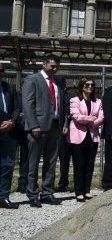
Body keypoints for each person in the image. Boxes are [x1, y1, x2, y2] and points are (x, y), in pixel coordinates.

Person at [22, 54, 68, 206]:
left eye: (56, 67)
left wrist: (64, 124)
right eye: (52, 66)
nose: (54, 69)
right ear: (44, 64)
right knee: (34, 163)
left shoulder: (58, 83)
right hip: (38, 127)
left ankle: (47, 192)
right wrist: (33, 125)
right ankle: (32, 193)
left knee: (51, 162)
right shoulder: (32, 79)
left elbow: (63, 106)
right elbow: (28, 104)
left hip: (55, 126)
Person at [68, 77, 104, 202]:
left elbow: (101, 117)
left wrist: (92, 121)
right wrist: (90, 118)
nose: (90, 87)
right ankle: (78, 191)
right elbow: (76, 117)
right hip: (77, 136)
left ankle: (87, 190)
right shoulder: (75, 100)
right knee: (79, 165)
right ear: (82, 86)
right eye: (87, 85)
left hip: (92, 136)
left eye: (92, 85)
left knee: (90, 165)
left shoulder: (98, 101)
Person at [0, 62, 21, 209]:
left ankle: (3, 197)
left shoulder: (10, 87)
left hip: (8, 130)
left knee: (7, 164)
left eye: (1, 70)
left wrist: (12, 122)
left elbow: (17, 108)